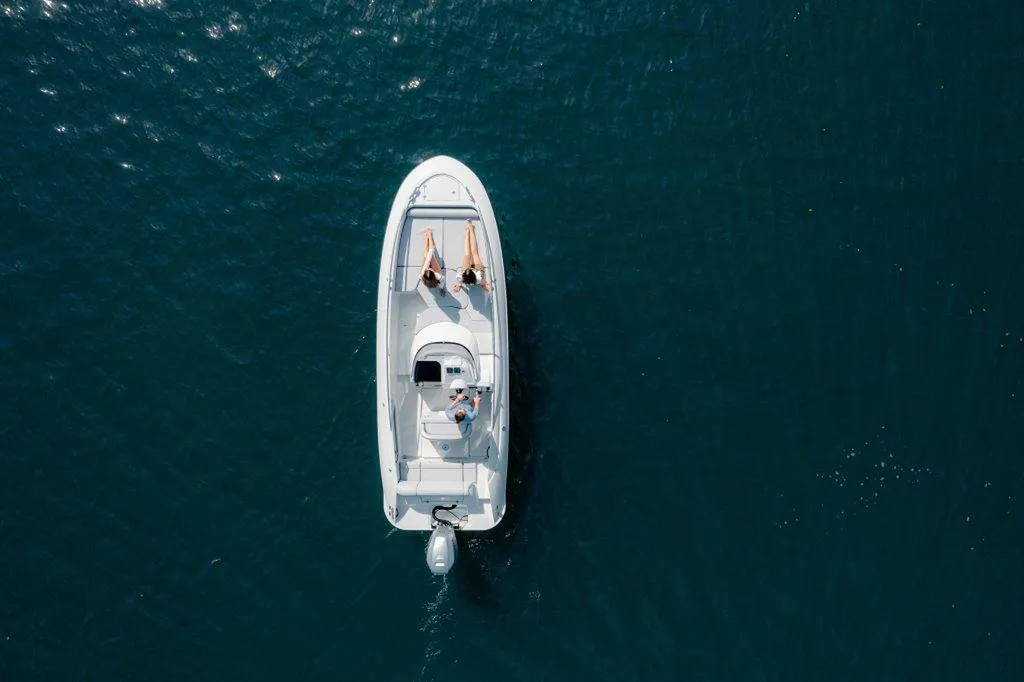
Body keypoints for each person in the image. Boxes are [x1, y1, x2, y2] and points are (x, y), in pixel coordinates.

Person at [451, 219, 492, 293]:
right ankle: (471, 228)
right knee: (474, 252)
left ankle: (467, 232)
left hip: (472, 273)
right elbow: (483, 283)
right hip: (478, 270)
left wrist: (457, 287)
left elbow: (459, 284)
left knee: (467, 254)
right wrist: (486, 287)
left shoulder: (460, 277)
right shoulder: (478, 278)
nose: (469, 267)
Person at [420, 228, 445, 295]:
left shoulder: (423, 272)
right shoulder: (439, 277)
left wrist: (430, 247)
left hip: (427, 275)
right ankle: (429, 236)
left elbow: (428, 258)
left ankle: (426, 240)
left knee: (426, 256)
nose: (429, 268)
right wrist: (430, 236)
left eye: (428, 269)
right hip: (435, 273)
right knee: (432, 257)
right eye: (430, 270)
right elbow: (441, 285)